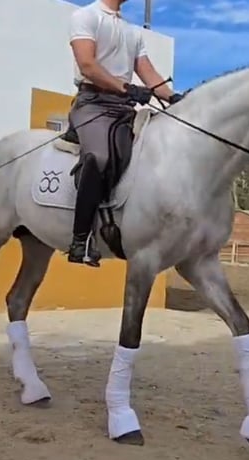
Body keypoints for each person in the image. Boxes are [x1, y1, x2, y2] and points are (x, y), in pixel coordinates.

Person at [66, 0, 183, 267]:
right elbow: (87, 65)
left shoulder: (132, 32)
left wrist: (175, 97)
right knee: (100, 157)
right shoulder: (85, 16)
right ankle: (80, 240)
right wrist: (126, 88)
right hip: (93, 105)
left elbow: (150, 75)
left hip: (124, 109)